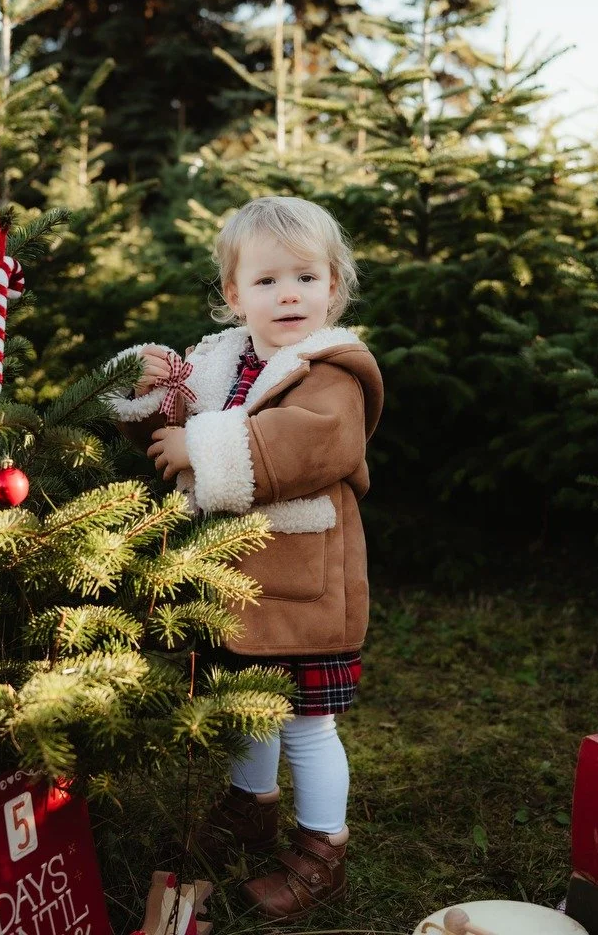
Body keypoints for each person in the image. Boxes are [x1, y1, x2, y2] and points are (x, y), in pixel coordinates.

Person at [105, 195, 383, 922]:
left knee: (305, 725)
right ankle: (250, 809)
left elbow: (312, 441)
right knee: (246, 705)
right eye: (267, 281)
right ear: (235, 296)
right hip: (236, 575)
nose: (288, 294)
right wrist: (151, 395)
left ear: (333, 288)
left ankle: (323, 849)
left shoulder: (334, 369)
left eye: (305, 278)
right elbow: (171, 433)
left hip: (306, 584)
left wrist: (202, 447)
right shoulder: (221, 360)